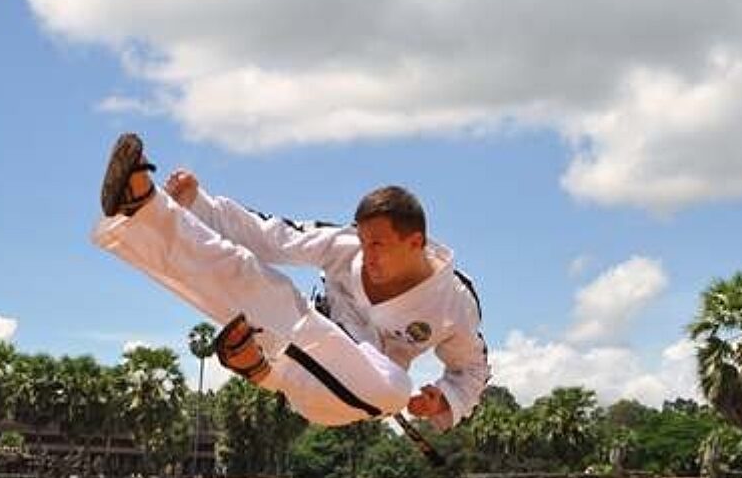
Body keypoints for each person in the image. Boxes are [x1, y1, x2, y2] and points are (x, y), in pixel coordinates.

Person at [91, 133, 489, 430]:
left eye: (380, 245)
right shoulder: (345, 245)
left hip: (355, 390)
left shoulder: (454, 301)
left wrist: (445, 398)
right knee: (246, 273)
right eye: (364, 242)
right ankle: (145, 206)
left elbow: (471, 369)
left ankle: (265, 373)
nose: (368, 256)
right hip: (304, 333)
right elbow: (271, 236)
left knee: (395, 388)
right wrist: (201, 204)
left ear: (416, 242)